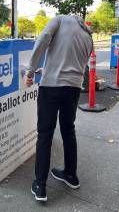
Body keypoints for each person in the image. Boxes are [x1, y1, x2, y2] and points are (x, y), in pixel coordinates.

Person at [25, 15, 93, 201]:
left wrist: (30, 71)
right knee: (68, 130)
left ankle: (40, 185)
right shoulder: (88, 35)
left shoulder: (60, 20)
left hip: (52, 87)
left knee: (45, 134)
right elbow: (74, 64)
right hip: (73, 89)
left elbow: (43, 38)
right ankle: (71, 175)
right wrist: (45, 70)